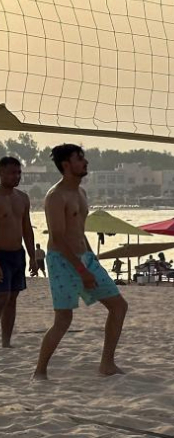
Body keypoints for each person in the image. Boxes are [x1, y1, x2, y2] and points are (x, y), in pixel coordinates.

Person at [34, 144, 128, 379]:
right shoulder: (55, 197)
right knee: (64, 319)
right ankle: (40, 371)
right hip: (61, 261)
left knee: (118, 306)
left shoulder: (81, 193)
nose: (85, 162)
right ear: (66, 165)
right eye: (80, 158)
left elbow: (78, 230)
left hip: (84, 257)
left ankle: (107, 364)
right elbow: (58, 237)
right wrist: (81, 270)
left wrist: (90, 260)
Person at [0, 156, 37, 348]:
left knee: (12, 298)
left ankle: (6, 341)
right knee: (2, 297)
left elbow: (27, 229)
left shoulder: (22, 198)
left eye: (19, 172)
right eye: (12, 173)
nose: (17, 176)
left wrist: (33, 256)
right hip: (1, 254)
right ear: (1, 173)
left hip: (17, 254)